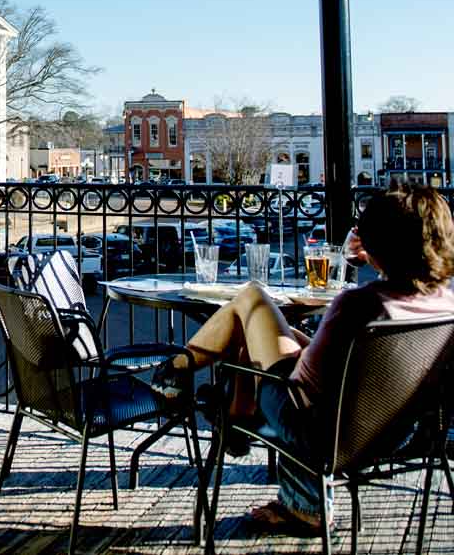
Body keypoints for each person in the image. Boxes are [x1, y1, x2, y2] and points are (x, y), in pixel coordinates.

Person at [151, 184, 454, 535]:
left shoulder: (358, 306)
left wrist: (274, 349)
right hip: (397, 433)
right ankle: (231, 412)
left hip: (320, 430)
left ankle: (181, 373)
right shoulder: (445, 305)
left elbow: (304, 381)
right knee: (254, 325)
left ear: (378, 244)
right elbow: (351, 367)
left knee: (251, 299)